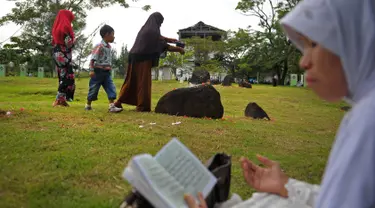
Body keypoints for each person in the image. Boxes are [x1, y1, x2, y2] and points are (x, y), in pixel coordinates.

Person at [185, 0, 375, 207]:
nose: (303, 62)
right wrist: (288, 186)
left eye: (314, 44)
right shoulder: (364, 112)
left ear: (356, 37)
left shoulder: (368, 118)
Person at [114, 12, 185, 112]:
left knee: (131, 80)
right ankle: (142, 106)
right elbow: (164, 46)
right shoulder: (152, 31)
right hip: (143, 59)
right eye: (160, 22)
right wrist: (179, 49)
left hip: (134, 57)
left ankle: (118, 102)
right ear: (157, 21)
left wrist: (170, 39)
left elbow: (159, 38)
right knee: (144, 82)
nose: (160, 25)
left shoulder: (146, 29)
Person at [85, 25, 123, 113]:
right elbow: (93, 59)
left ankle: (112, 106)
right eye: (113, 34)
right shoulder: (99, 46)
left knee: (111, 88)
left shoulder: (109, 47)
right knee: (93, 89)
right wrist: (91, 70)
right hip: (97, 72)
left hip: (106, 72)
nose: (114, 36)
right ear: (107, 34)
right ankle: (88, 105)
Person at [51, 9, 75, 107]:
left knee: (63, 76)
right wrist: (74, 39)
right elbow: (69, 44)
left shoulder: (56, 27)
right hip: (63, 53)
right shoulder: (65, 27)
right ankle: (58, 99)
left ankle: (62, 100)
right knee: (67, 76)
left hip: (57, 53)